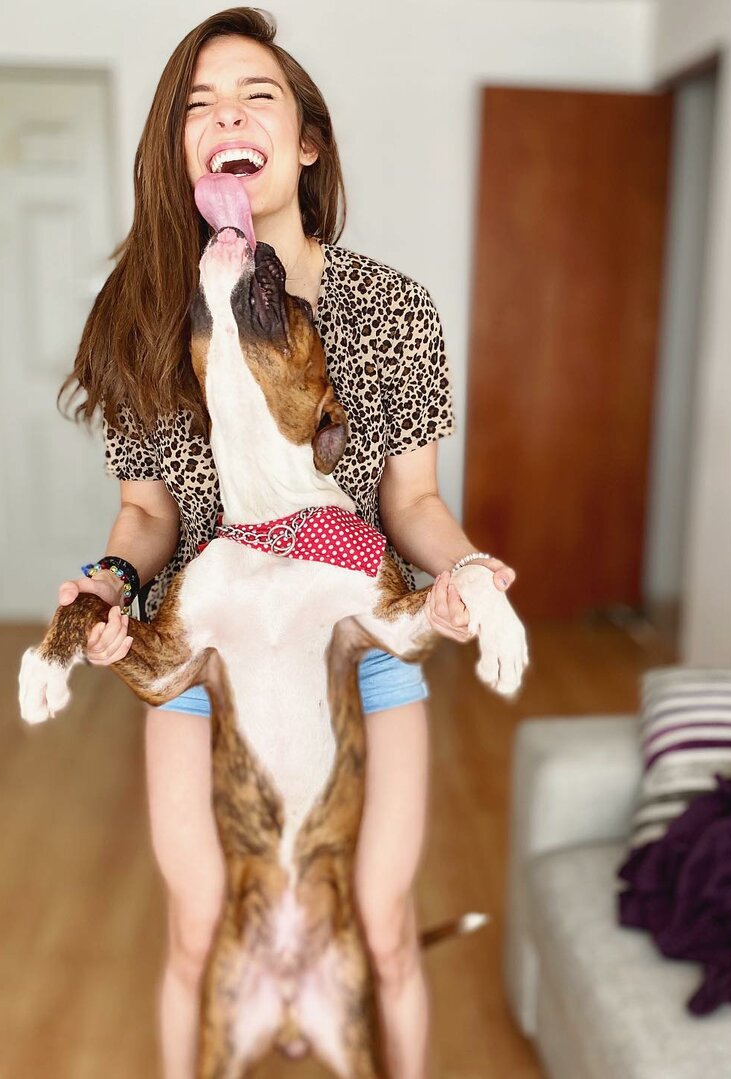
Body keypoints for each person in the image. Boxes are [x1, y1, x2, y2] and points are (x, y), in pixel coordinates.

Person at [55, 8, 516, 1079]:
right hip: (203, 646)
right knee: (196, 927)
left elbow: (413, 499)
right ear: (180, 152)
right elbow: (147, 515)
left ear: (305, 141)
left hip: (356, 639)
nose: (227, 115)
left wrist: (463, 569)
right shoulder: (143, 313)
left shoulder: (393, 309)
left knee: (384, 924)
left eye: (255, 94)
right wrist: (110, 582)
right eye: (199, 104)